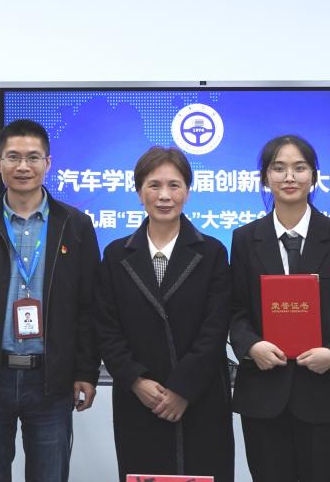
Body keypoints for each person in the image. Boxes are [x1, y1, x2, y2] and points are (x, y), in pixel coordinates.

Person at [0, 119, 100, 482]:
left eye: (33, 157)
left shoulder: (75, 226)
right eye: (13, 157)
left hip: (51, 380)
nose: (23, 166)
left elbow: (89, 306)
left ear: (48, 163)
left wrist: (85, 372)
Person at [228, 135, 330, 481]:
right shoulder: (245, 239)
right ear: (265, 178)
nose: (289, 177)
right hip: (263, 394)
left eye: (299, 168)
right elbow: (235, 310)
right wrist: (251, 346)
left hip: (325, 392)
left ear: (314, 176)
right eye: (278, 168)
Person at [95, 146, 233, 481]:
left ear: (188, 191)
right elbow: (106, 328)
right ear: (139, 191)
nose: (164, 196)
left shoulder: (212, 252)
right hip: (139, 400)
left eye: (174, 185)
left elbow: (215, 328)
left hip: (200, 397)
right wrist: (136, 380)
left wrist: (182, 389)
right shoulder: (116, 255)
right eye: (154, 185)